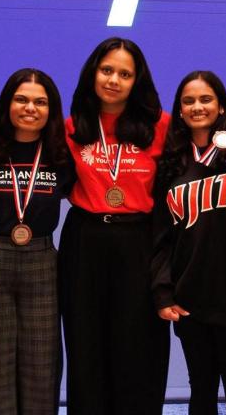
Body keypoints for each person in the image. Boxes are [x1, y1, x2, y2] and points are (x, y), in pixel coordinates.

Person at [58, 37, 171, 414]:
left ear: (137, 80)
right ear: (93, 72)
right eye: (107, 70)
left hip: (138, 240)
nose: (114, 80)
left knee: (137, 347)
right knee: (85, 344)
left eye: (125, 74)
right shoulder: (71, 128)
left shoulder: (161, 126)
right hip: (85, 240)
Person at [151, 71, 226, 415]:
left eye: (206, 99)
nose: (197, 107)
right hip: (191, 298)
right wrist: (163, 292)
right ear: (178, 111)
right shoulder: (171, 164)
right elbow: (161, 238)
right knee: (200, 389)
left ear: (221, 106)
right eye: (188, 101)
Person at [0, 68, 74, 415]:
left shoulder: (60, 153)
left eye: (41, 102)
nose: (30, 108)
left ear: (51, 109)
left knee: (42, 363)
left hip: (41, 258)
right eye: (21, 99)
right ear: (7, 103)